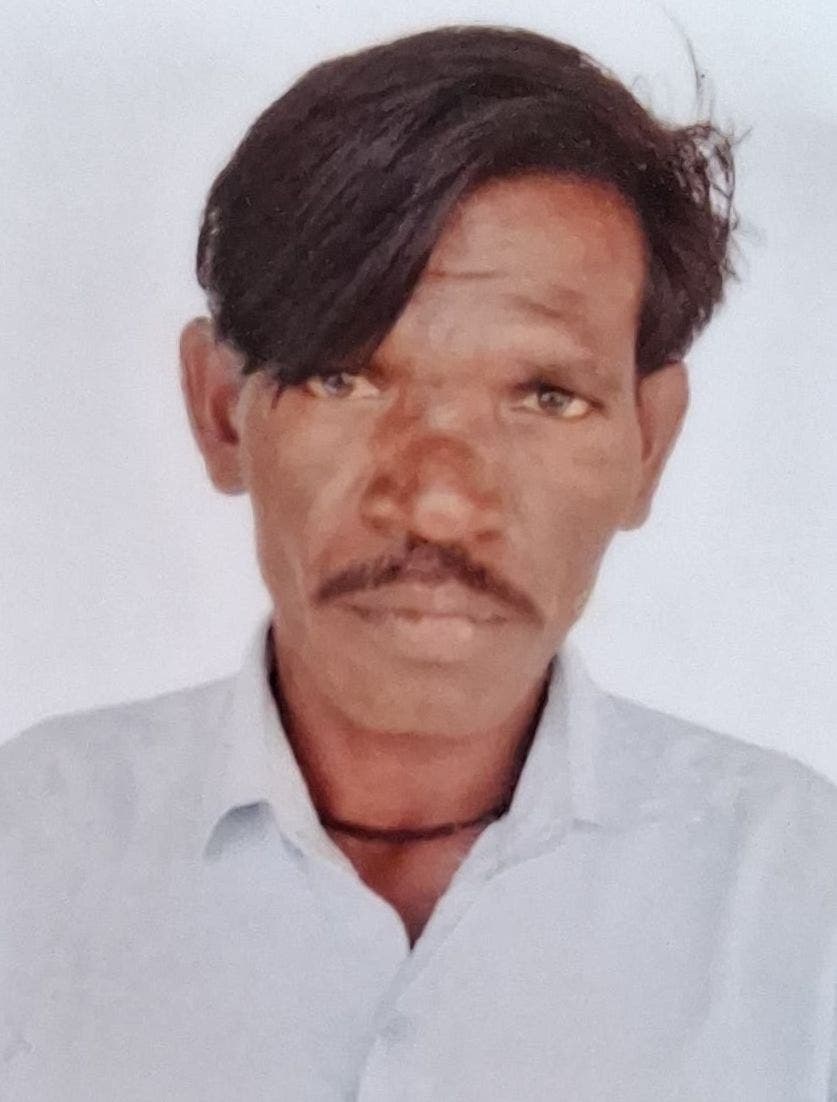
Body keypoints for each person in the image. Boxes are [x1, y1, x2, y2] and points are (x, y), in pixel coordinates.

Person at [2, 23, 835, 1102]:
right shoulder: (27, 853)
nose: (438, 501)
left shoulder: (804, 903)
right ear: (219, 410)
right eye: (344, 378)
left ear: (648, 445)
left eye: (546, 396)